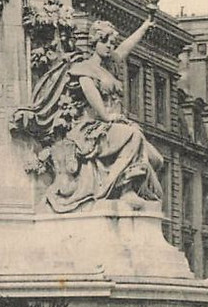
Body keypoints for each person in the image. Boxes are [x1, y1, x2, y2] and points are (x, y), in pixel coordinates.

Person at [14, 12, 164, 212]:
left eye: (112, 42)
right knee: (133, 136)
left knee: (156, 159)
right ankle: (122, 189)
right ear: (95, 42)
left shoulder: (110, 66)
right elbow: (97, 106)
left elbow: (125, 49)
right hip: (91, 128)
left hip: (112, 125)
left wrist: (144, 27)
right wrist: (111, 118)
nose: (110, 46)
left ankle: (131, 189)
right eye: (105, 41)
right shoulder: (84, 69)